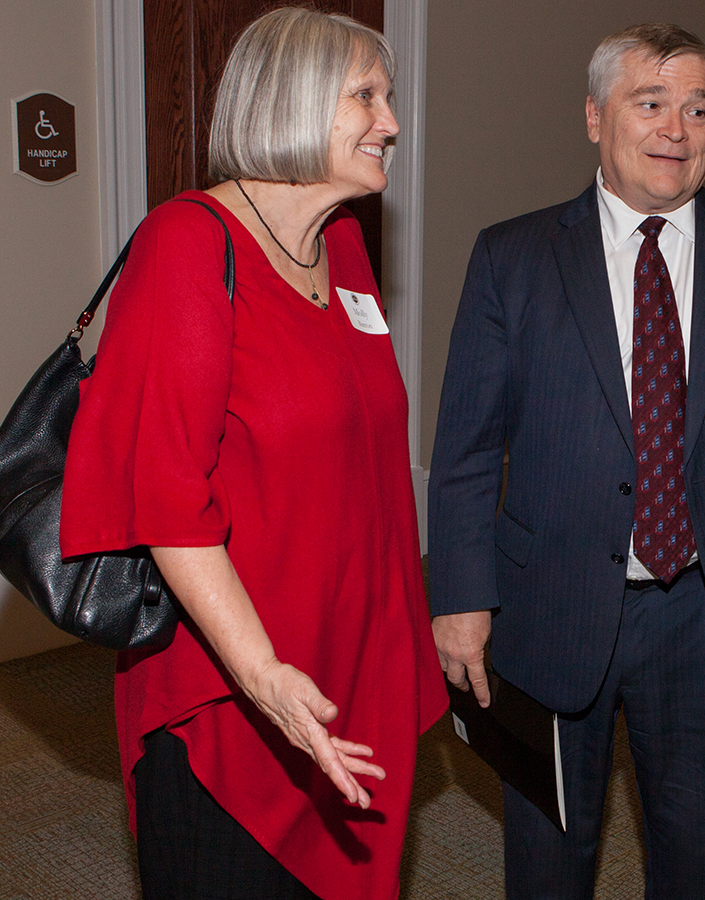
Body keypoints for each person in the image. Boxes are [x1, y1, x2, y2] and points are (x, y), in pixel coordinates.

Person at [427, 22, 705, 900]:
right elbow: (467, 447)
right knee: (548, 861)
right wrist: (458, 598)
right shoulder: (513, 257)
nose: (676, 129)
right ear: (596, 118)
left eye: (698, 109)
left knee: (699, 865)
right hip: (549, 603)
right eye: (651, 104)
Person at [59, 8, 447, 899]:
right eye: (365, 96)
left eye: (387, 95)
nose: (390, 121)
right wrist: (264, 677)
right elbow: (163, 494)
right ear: (293, 102)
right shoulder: (187, 246)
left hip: (350, 662)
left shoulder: (341, 245)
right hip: (237, 683)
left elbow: (367, 462)